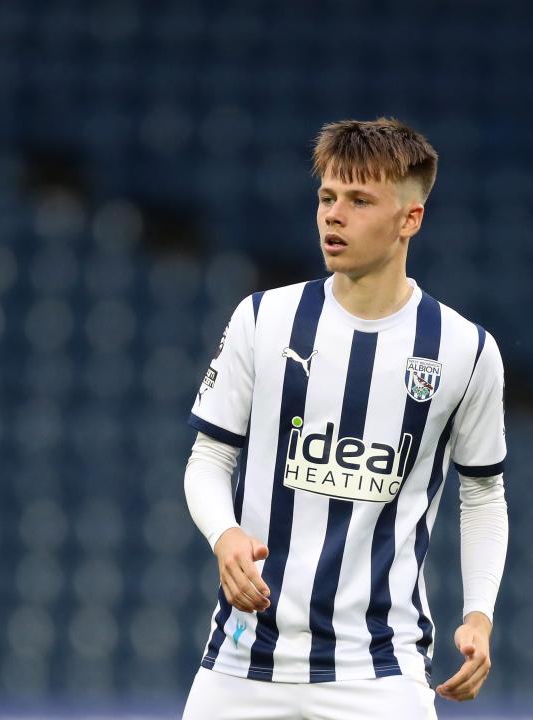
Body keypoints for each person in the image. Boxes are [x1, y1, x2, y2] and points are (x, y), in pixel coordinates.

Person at [182, 118, 508, 720]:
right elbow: (209, 458)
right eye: (327, 197)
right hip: (244, 658)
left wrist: (479, 615)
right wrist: (224, 534)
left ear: (410, 220)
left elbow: (484, 494)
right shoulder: (264, 319)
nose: (334, 215)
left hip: (381, 668)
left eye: (360, 201)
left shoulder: (465, 350)